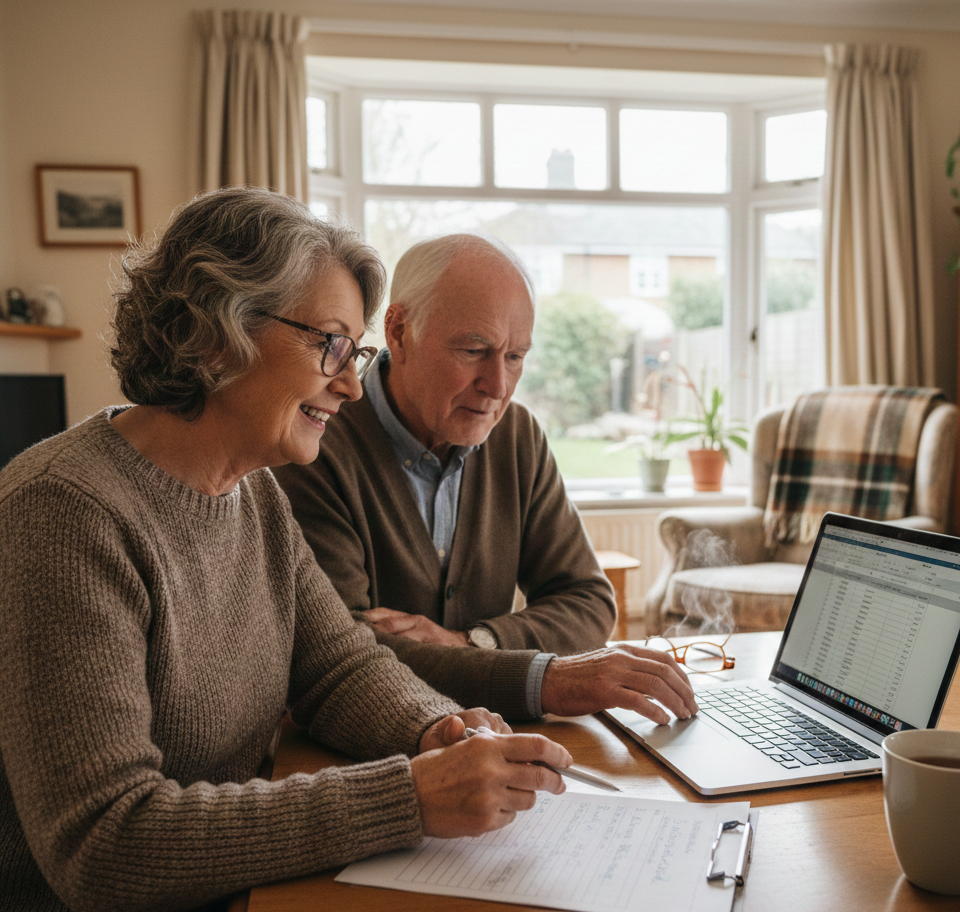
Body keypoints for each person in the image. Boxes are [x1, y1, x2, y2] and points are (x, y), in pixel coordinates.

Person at [0, 188, 575, 912]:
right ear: (217, 331)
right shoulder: (65, 512)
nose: (351, 385)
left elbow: (337, 667)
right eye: (331, 343)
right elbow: (106, 844)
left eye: (356, 352)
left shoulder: (255, 495)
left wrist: (437, 726)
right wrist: (405, 796)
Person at [274, 234, 699, 724]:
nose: (497, 387)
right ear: (399, 329)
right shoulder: (315, 439)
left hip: (500, 745)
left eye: (515, 357)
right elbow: (340, 654)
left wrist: (473, 642)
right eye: (475, 350)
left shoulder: (516, 436)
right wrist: (541, 679)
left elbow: (587, 601)